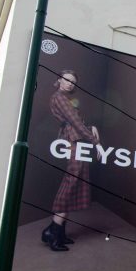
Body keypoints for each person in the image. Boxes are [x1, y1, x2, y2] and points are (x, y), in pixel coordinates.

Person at [42, 71, 100, 251]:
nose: (70, 83)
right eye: (67, 80)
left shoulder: (64, 98)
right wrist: (96, 142)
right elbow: (75, 122)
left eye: (73, 82)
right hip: (72, 141)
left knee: (74, 183)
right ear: (59, 79)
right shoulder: (59, 97)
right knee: (71, 182)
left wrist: (91, 126)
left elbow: (77, 122)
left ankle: (58, 231)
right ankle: (53, 232)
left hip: (76, 140)